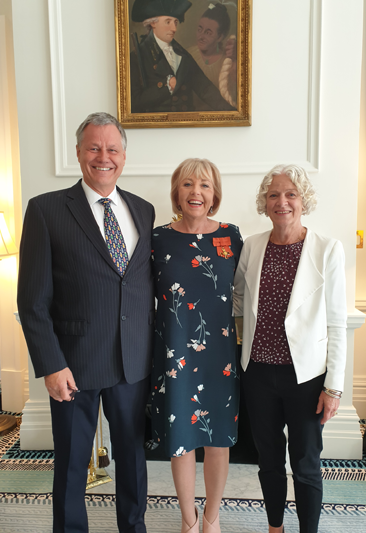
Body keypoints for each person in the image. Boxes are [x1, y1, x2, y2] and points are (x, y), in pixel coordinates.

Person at [17, 112, 155, 533]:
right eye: (94, 148)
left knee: (133, 462)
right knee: (73, 464)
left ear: (124, 156)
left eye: (112, 149)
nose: (103, 157)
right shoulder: (46, 210)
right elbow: (32, 300)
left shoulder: (144, 211)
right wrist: (51, 364)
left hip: (132, 362)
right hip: (73, 365)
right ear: (78, 153)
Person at [233, 164, 347, 533]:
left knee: (306, 462)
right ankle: (275, 527)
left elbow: (335, 323)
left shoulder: (328, 250)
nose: (282, 201)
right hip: (259, 374)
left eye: (290, 194)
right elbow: (237, 302)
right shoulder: (251, 246)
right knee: (268, 459)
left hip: (307, 378)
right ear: (264, 204)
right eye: (273, 195)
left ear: (304, 201)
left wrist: (333, 387)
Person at [151, 158, 243, 533]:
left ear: (214, 194)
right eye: (188, 185)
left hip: (219, 355)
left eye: (204, 185)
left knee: (218, 438)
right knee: (183, 439)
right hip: (175, 355)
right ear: (177, 192)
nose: (196, 193)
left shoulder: (231, 236)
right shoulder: (157, 239)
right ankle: (188, 520)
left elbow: (244, 295)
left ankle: (212, 517)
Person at [130, 0, 236, 113]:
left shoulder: (181, 54)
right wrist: (167, 87)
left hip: (186, 125)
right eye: (168, 22)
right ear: (153, 23)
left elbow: (205, 89)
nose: (174, 28)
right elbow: (134, 103)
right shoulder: (137, 57)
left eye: (175, 22)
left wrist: (233, 113)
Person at [188, 3, 237, 108]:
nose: (201, 36)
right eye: (199, 29)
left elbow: (232, 101)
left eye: (208, 33)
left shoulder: (226, 64)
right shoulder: (188, 55)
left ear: (220, 37)